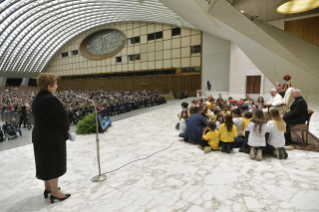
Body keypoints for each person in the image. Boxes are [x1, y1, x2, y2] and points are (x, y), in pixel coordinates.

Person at [32, 73, 71, 203]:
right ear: (49, 87)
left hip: (39, 136)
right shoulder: (51, 99)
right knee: (54, 163)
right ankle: (55, 192)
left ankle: (48, 188)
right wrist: (67, 126)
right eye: (55, 84)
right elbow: (62, 117)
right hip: (52, 138)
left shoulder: (37, 98)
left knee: (45, 163)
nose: (57, 86)